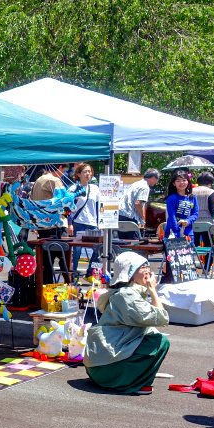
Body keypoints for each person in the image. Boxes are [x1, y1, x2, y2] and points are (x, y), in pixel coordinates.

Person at [83, 252, 170, 394]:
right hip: (105, 368)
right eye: (142, 267)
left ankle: (130, 379)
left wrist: (150, 290)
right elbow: (160, 318)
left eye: (148, 266)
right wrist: (153, 291)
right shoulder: (127, 295)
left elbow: (154, 316)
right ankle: (130, 383)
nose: (148, 271)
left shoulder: (123, 293)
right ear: (130, 273)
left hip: (99, 365)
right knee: (160, 342)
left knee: (152, 336)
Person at [69, 162, 100, 273]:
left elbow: (98, 207)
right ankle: (73, 274)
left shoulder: (95, 189)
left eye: (89, 171)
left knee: (99, 249)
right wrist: (70, 223)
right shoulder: (73, 188)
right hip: (78, 222)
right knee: (76, 251)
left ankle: (90, 272)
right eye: (85, 171)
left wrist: (100, 222)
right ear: (79, 174)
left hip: (92, 223)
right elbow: (68, 208)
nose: (88, 174)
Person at [118, 168, 160, 239]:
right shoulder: (145, 187)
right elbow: (138, 203)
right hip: (129, 216)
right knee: (134, 242)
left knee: (123, 241)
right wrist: (143, 217)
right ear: (153, 178)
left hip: (120, 214)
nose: (156, 182)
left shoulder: (137, 183)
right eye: (157, 179)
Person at [31, 164, 68, 239]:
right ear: (60, 167)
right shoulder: (54, 180)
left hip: (41, 222)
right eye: (64, 171)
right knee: (56, 249)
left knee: (44, 248)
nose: (63, 174)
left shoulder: (38, 180)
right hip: (53, 223)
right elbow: (64, 200)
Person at [164, 169, 197, 239]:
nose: (181, 183)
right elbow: (172, 216)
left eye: (184, 180)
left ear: (188, 182)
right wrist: (176, 234)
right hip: (173, 232)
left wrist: (188, 221)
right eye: (178, 181)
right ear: (174, 183)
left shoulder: (192, 197)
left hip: (188, 233)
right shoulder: (171, 198)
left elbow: (195, 214)